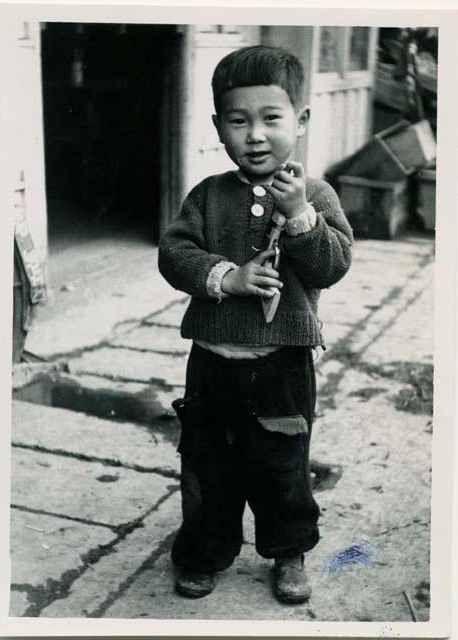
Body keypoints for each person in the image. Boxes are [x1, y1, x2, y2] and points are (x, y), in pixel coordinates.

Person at [158, 44, 353, 604]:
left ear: (301, 121)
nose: (256, 135)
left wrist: (298, 218)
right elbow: (174, 255)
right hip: (213, 364)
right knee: (206, 465)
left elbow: (331, 266)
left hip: (281, 367)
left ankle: (288, 552)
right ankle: (203, 553)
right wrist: (226, 277)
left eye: (272, 118)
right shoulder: (207, 196)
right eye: (239, 121)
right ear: (219, 126)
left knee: (282, 466)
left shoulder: (314, 195)